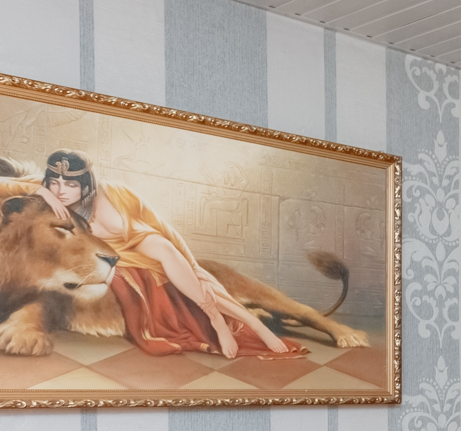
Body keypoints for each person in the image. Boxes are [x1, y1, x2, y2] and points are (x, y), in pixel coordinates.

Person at [35, 151, 301, 360]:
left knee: (178, 260)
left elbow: (162, 227)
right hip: (122, 256)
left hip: (145, 241)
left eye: (70, 184)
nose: (61, 191)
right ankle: (226, 320)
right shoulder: (57, 203)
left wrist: (191, 263)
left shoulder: (115, 192)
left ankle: (234, 321)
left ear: (85, 184)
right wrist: (43, 191)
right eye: (54, 183)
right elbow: (8, 185)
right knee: (182, 278)